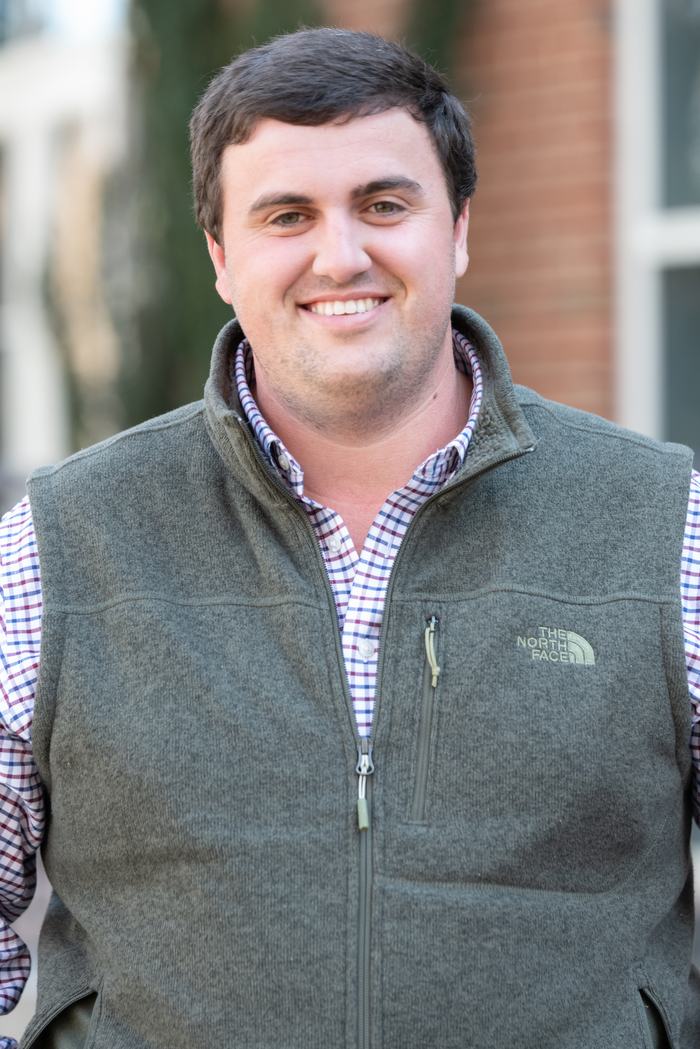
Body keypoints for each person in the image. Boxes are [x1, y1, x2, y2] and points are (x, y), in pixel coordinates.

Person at [0, 26, 698, 1049]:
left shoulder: (662, 524)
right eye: (287, 215)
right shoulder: (59, 546)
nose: (341, 254)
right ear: (221, 255)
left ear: (455, 229)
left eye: (384, 204)